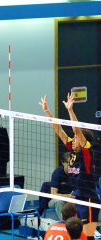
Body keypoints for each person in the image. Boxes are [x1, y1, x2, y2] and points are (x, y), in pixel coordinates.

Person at [39, 93, 99, 240]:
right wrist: (47, 111)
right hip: (76, 198)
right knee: (76, 236)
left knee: (88, 235)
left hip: (88, 199)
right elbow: (58, 130)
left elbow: (76, 129)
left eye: (76, 139)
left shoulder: (86, 152)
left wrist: (70, 110)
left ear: (83, 141)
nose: (72, 140)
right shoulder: (72, 150)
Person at [48, 152, 72, 220]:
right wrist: (68, 196)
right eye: (68, 163)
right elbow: (53, 194)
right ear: (63, 163)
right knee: (58, 201)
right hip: (56, 200)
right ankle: (65, 225)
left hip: (71, 199)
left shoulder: (75, 173)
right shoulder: (57, 173)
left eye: (72, 163)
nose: (71, 166)